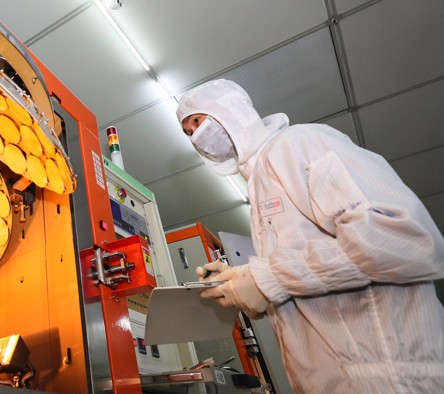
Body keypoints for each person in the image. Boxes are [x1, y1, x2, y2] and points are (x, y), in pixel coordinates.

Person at [175, 79, 444, 393]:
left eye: (197, 121)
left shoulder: (297, 143)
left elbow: (401, 239)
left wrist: (267, 278)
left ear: (231, 110)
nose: (196, 136)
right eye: (188, 133)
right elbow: (309, 273)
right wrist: (243, 278)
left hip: (392, 380)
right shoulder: (259, 185)